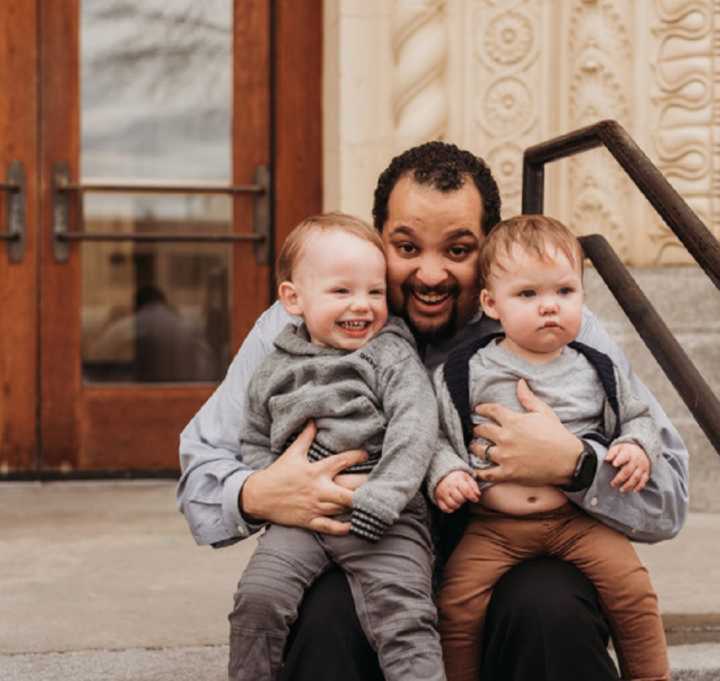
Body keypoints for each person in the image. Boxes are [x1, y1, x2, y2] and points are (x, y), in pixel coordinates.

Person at [178, 140, 689, 681]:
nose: (429, 274)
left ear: (487, 247)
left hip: (513, 553)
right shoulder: (298, 329)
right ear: (380, 239)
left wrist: (577, 464)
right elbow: (200, 475)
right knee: (327, 612)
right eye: (406, 247)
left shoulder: (556, 327)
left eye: (458, 250)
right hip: (363, 547)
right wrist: (258, 493)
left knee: (550, 604)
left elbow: (669, 497)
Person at [427, 215, 669, 681]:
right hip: (495, 527)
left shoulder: (597, 368)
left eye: (564, 291)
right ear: (491, 304)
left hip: (576, 522)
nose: (549, 307)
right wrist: (447, 472)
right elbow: (434, 435)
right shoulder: (466, 371)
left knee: (634, 595)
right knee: (456, 606)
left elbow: (639, 417)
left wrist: (637, 447)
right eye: (528, 295)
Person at [227, 213, 444, 681]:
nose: (362, 305)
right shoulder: (273, 366)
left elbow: (416, 427)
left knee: (405, 619)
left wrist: (383, 498)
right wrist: (276, 493)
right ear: (293, 298)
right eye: (342, 291)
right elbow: (253, 437)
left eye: (375, 291)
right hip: (300, 520)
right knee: (258, 599)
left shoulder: (389, 354)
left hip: (384, 517)